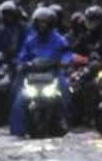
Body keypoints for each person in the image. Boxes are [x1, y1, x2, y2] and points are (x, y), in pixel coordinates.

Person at [9, 7, 73, 136]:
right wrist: (21, 64)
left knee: (65, 89)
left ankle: (65, 120)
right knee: (19, 98)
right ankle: (17, 130)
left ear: (51, 24)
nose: (42, 25)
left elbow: (67, 53)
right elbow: (22, 56)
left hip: (53, 73)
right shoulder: (30, 40)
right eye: (39, 22)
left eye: (44, 22)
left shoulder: (59, 39)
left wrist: (64, 62)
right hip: (33, 76)